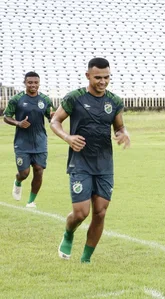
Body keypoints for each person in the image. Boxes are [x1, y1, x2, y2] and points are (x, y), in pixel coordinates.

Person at [50, 58, 130, 263]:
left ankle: (85, 260)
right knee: (81, 213)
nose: (103, 82)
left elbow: (119, 126)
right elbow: (55, 121)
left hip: (104, 164)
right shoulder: (74, 98)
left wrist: (123, 133)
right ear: (88, 76)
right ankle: (68, 233)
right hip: (80, 163)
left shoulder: (114, 101)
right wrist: (68, 137)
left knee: (100, 212)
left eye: (106, 77)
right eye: (98, 78)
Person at [3, 71, 54, 208]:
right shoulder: (17, 99)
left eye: (36, 82)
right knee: (24, 173)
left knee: (39, 170)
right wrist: (18, 123)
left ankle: (31, 201)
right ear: (25, 83)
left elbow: (52, 118)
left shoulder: (45, 100)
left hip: (40, 142)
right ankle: (18, 181)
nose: (33, 85)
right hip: (22, 142)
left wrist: (54, 117)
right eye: (30, 82)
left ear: (39, 83)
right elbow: (6, 117)